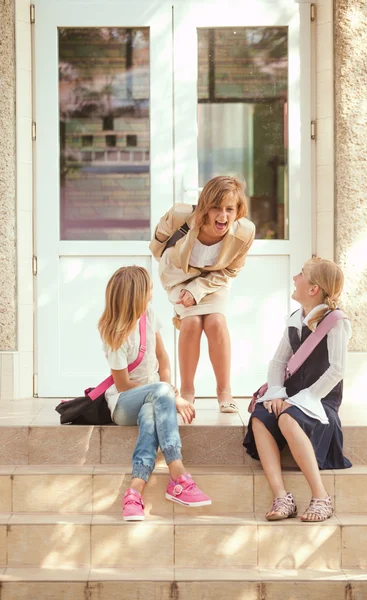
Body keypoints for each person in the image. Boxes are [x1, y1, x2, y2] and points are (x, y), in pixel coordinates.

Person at [98, 265, 211, 521]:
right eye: (149, 288)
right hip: (124, 403)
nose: (153, 293)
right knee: (156, 396)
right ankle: (178, 473)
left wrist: (166, 390)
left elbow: (163, 358)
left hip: (153, 398)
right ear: (137, 294)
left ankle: (134, 492)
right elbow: (124, 384)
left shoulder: (149, 314)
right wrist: (169, 394)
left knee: (150, 417)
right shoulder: (115, 333)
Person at [243, 258, 352, 522]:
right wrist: (278, 393)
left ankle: (321, 497)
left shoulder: (336, 322)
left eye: (301, 275)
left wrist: (305, 399)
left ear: (314, 289)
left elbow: (337, 370)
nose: (295, 278)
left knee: (288, 419)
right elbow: (279, 362)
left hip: (319, 402)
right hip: (290, 399)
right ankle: (282, 496)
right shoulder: (295, 318)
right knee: (260, 417)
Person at [150, 176, 255, 413]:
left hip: (215, 279)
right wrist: (171, 267)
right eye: (216, 208)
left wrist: (197, 289)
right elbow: (158, 241)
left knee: (216, 322)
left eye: (230, 209)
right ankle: (187, 391)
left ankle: (224, 391)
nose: (223, 216)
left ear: (238, 210)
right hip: (178, 275)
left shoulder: (245, 232)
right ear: (206, 207)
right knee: (192, 323)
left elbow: (231, 270)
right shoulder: (179, 215)